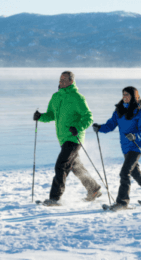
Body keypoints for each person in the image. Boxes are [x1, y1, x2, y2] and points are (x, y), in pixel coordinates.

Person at [33, 71, 102, 206]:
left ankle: (55, 198)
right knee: (76, 167)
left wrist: (77, 127)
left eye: (64, 79)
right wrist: (40, 116)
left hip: (74, 138)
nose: (61, 82)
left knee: (61, 166)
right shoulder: (56, 96)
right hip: (63, 139)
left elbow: (88, 117)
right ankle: (93, 189)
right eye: (60, 79)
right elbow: (51, 115)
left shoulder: (77, 97)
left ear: (71, 81)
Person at [92, 86, 141, 211]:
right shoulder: (119, 110)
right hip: (125, 147)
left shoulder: (140, 111)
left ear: (134, 97)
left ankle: (122, 203)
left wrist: (135, 136)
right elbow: (111, 125)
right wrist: (100, 128)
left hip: (136, 146)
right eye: (123, 94)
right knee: (135, 173)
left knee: (125, 172)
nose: (125, 97)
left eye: (127, 95)